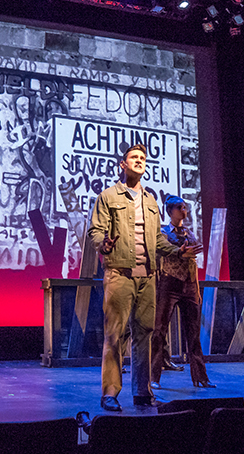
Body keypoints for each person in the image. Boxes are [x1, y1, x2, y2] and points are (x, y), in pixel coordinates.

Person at [88, 144, 201, 412]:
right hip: (120, 274)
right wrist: (103, 244)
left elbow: (158, 240)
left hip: (148, 277)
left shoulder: (151, 200)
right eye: (134, 158)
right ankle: (110, 393)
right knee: (115, 335)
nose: (139, 161)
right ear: (122, 164)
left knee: (146, 335)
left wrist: (177, 251)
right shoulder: (108, 196)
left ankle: (142, 392)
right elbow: (95, 230)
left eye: (143, 158)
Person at [151, 195, 214, 389]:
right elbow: (161, 250)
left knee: (193, 334)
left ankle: (200, 377)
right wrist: (180, 250)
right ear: (170, 211)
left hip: (188, 286)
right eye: (180, 207)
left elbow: (193, 262)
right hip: (169, 284)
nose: (184, 211)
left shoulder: (189, 233)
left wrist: (196, 289)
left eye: (185, 207)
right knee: (159, 331)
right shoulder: (162, 232)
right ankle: (153, 377)